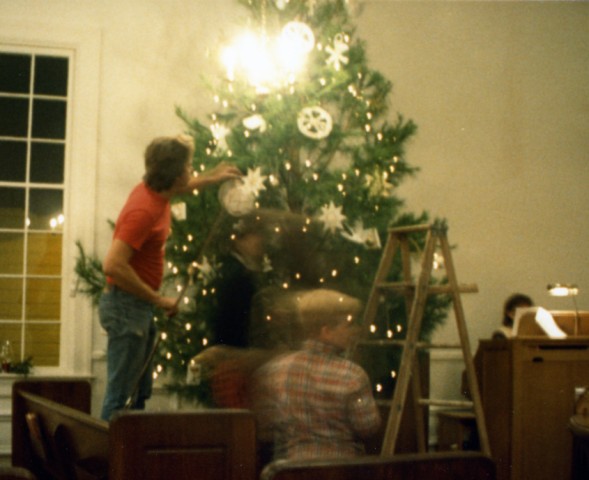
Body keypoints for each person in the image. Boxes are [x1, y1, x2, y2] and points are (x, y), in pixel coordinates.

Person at [99, 134, 240, 421]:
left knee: (138, 394)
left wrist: (212, 178)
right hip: (126, 307)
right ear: (175, 175)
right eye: (188, 166)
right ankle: (108, 451)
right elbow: (113, 265)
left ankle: (129, 449)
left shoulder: (156, 190)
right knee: (121, 397)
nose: (191, 170)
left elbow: (184, 186)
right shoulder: (143, 210)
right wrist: (158, 299)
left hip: (135, 307)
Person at [252, 288, 381, 461]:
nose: (355, 330)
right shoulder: (351, 374)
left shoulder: (275, 370)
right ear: (326, 331)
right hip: (343, 469)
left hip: (290, 468)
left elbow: (266, 425)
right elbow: (367, 426)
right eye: (349, 324)